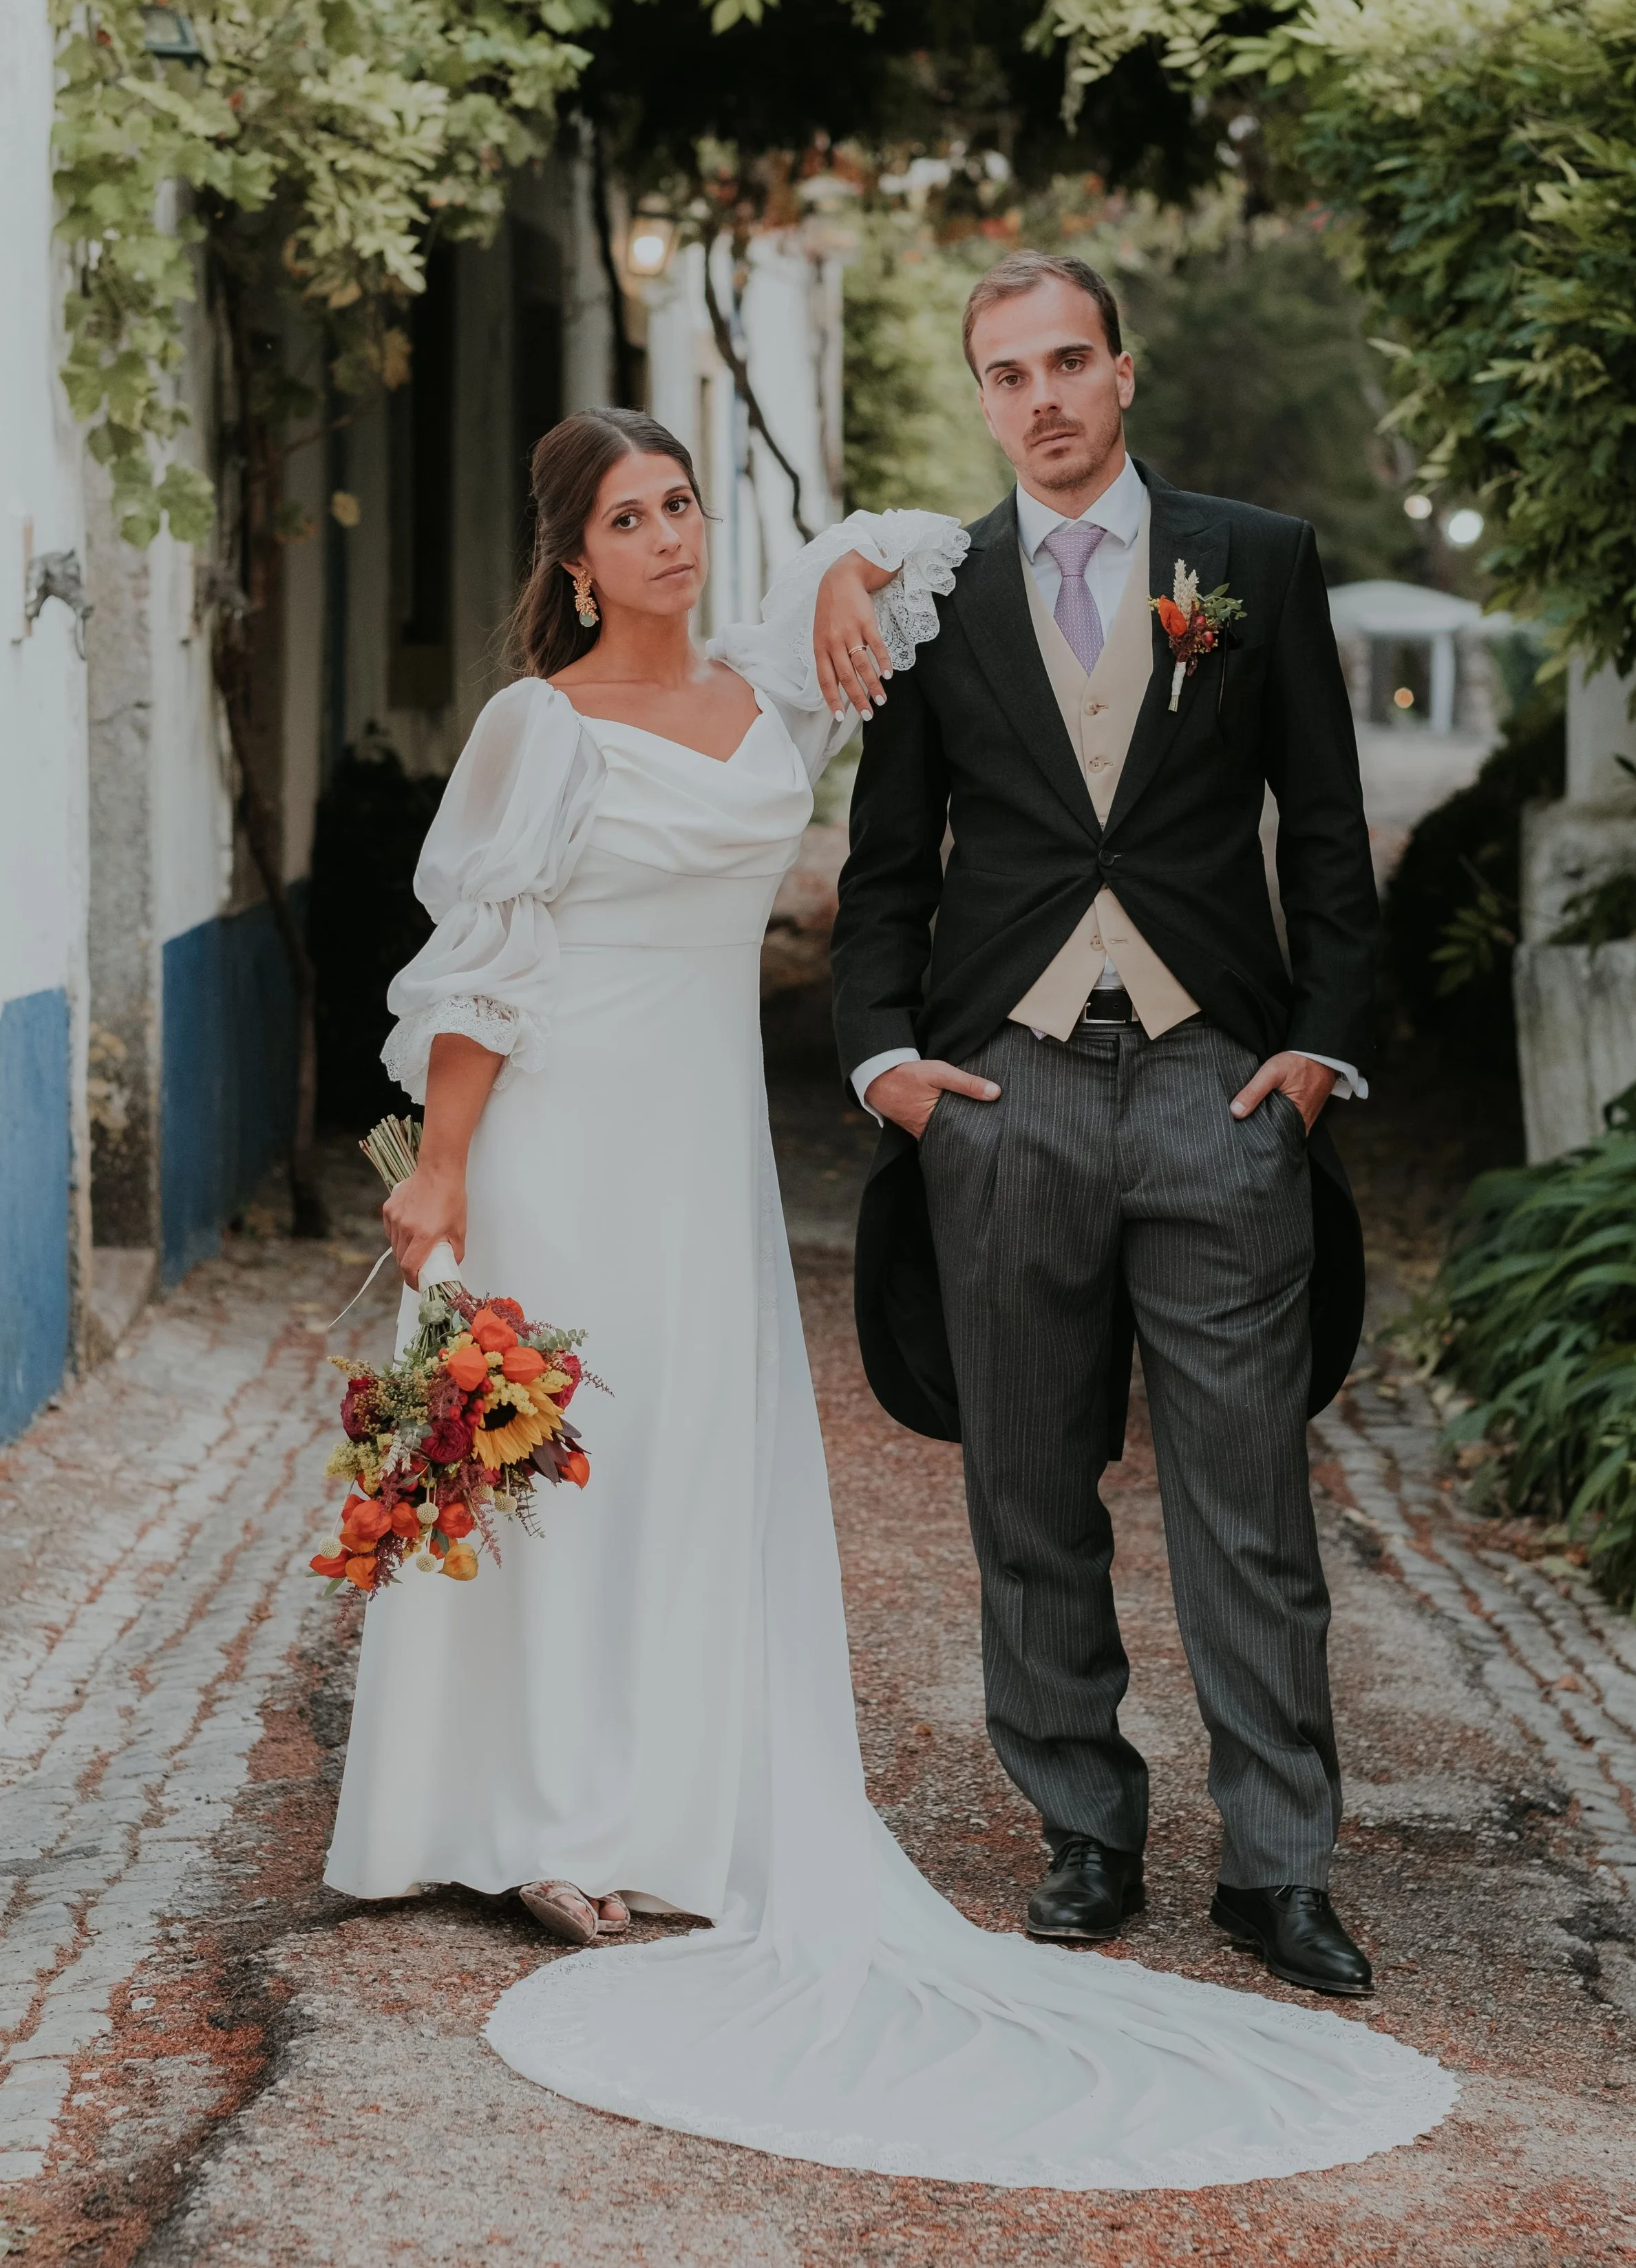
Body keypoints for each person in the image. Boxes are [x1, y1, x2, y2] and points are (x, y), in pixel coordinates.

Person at [323, 404, 1450, 2188]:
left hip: (701, 1149)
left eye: (683, 502)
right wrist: (446, 1166)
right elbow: (485, 956)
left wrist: (840, 559)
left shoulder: (769, 682)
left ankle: (675, 1787)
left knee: (697, 1453)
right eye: (628, 519)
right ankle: (541, 1812)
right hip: (558, 1131)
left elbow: (936, 541)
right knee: (543, 1458)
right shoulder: (536, 727)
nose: (671, 539)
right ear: (571, 560)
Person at [823, 251, 1379, 1988]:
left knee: (1248, 1502)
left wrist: (1315, 1054)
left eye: (1069, 362)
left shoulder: (1255, 561)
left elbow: (1331, 839)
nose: (1042, 399)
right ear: (980, 397)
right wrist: (888, 1066)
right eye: (1007, 374)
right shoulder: (934, 593)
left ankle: (1276, 1867)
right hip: (1008, 1093)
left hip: (1220, 1085)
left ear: (1122, 375)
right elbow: (885, 870)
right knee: (1025, 1488)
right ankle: (1085, 1826)